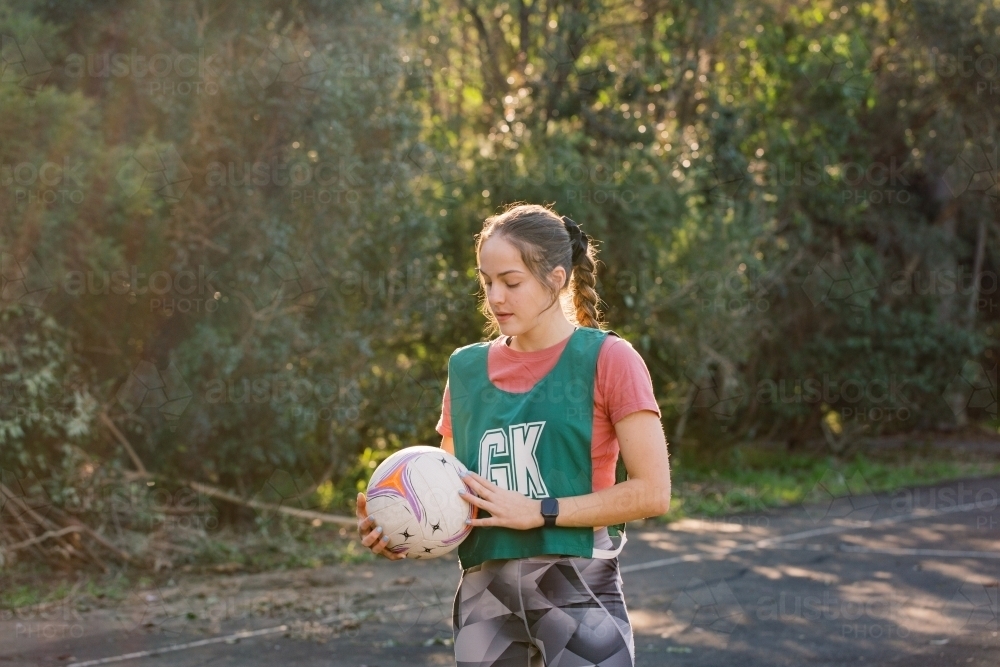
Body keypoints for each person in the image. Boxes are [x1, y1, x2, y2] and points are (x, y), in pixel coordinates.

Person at [355, 203, 671, 667]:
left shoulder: (609, 359)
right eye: (486, 282)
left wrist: (539, 511)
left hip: (577, 584)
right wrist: (403, 526)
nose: (495, 297)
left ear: (556, 278)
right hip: (486, 597)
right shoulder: (465, 369)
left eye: (511, 281)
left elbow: (653, 492)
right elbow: (449, 494)